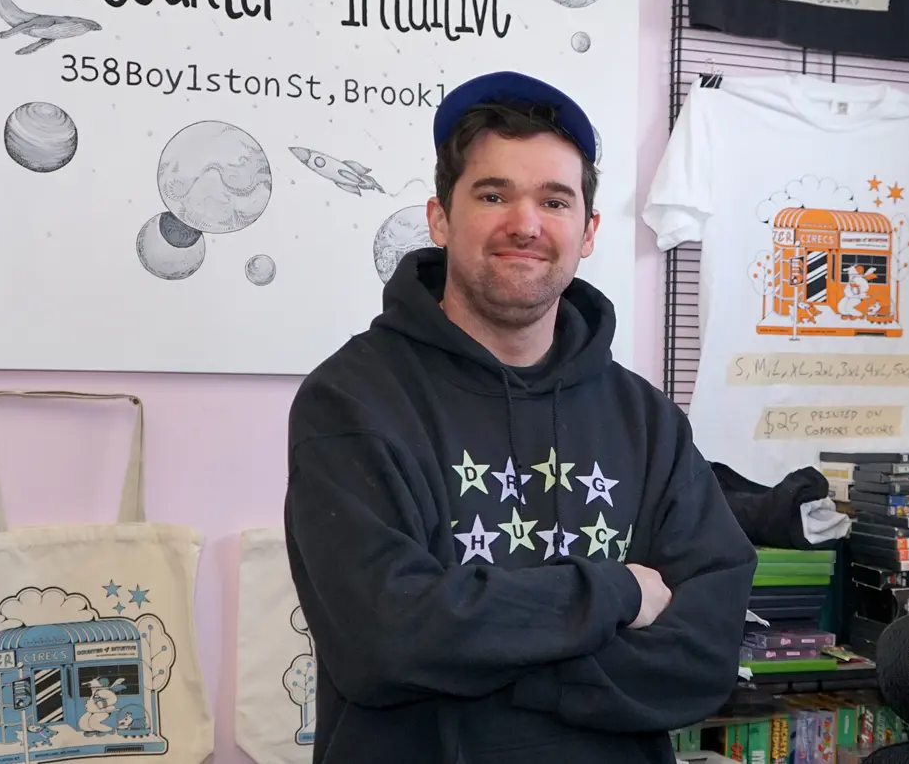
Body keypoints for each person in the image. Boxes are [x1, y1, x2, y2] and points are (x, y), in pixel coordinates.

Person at [283, 70, 759, 764]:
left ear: (588, 230)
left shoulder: (646, 419)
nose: (525, 224)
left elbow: (705, 653)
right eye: (493, 193)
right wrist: (618, 591)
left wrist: (488, 665)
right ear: (441, 217)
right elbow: (383, 640)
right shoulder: (351, 401)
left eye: (554, 200)